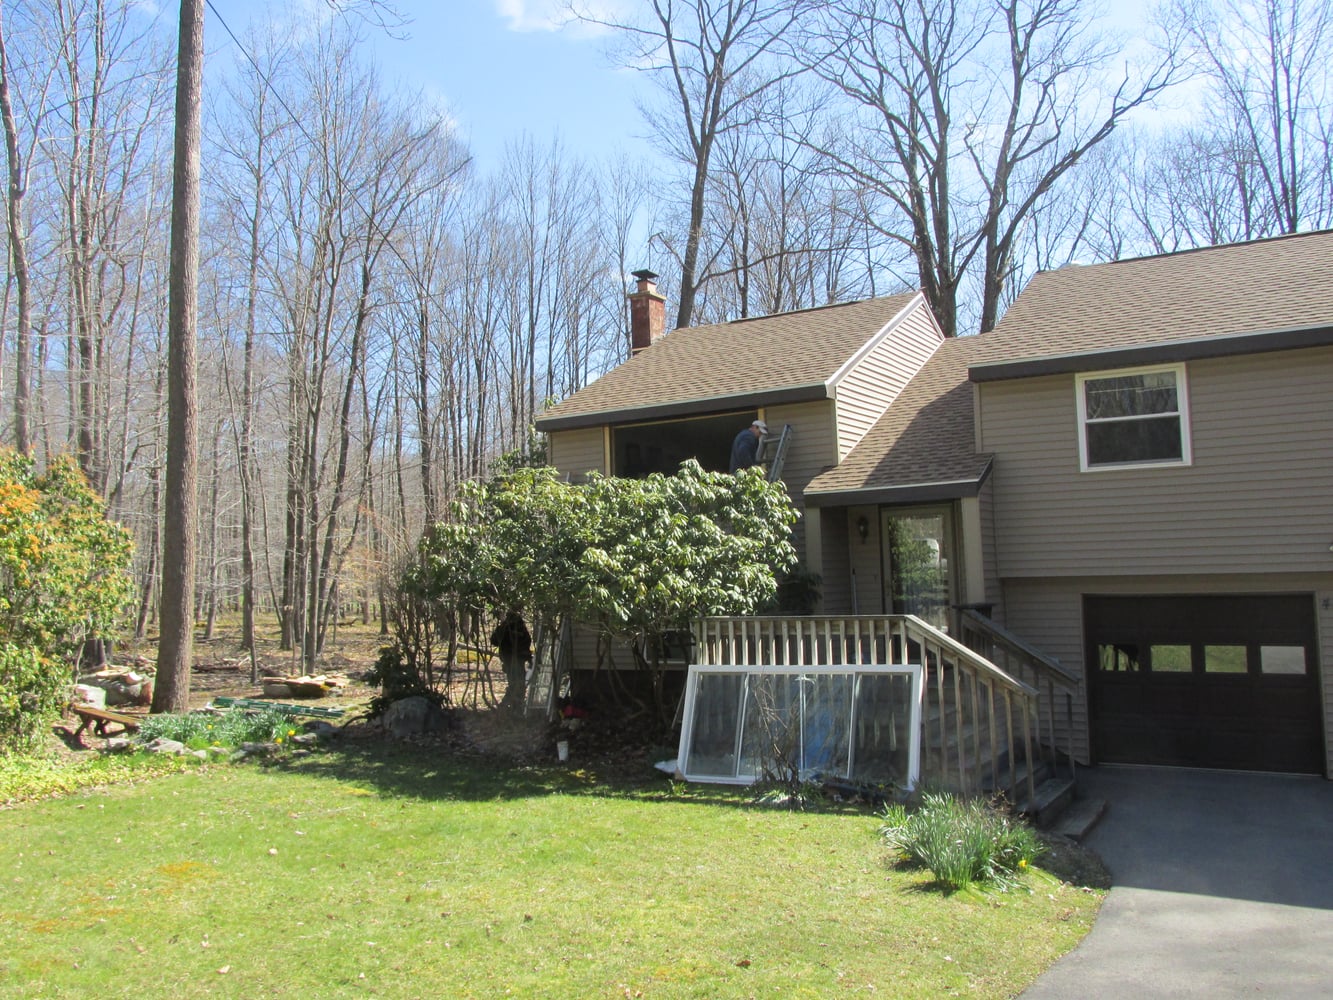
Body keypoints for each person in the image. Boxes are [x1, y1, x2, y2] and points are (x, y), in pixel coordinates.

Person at [491, 610, 532, 709]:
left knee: (517, 683)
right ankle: (513, 703)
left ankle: (514, 703)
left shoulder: (515, 627)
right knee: (517, 683)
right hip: (512, 660)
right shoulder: (510, 627)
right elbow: (495, 640)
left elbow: (526, 642)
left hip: (514, 660)